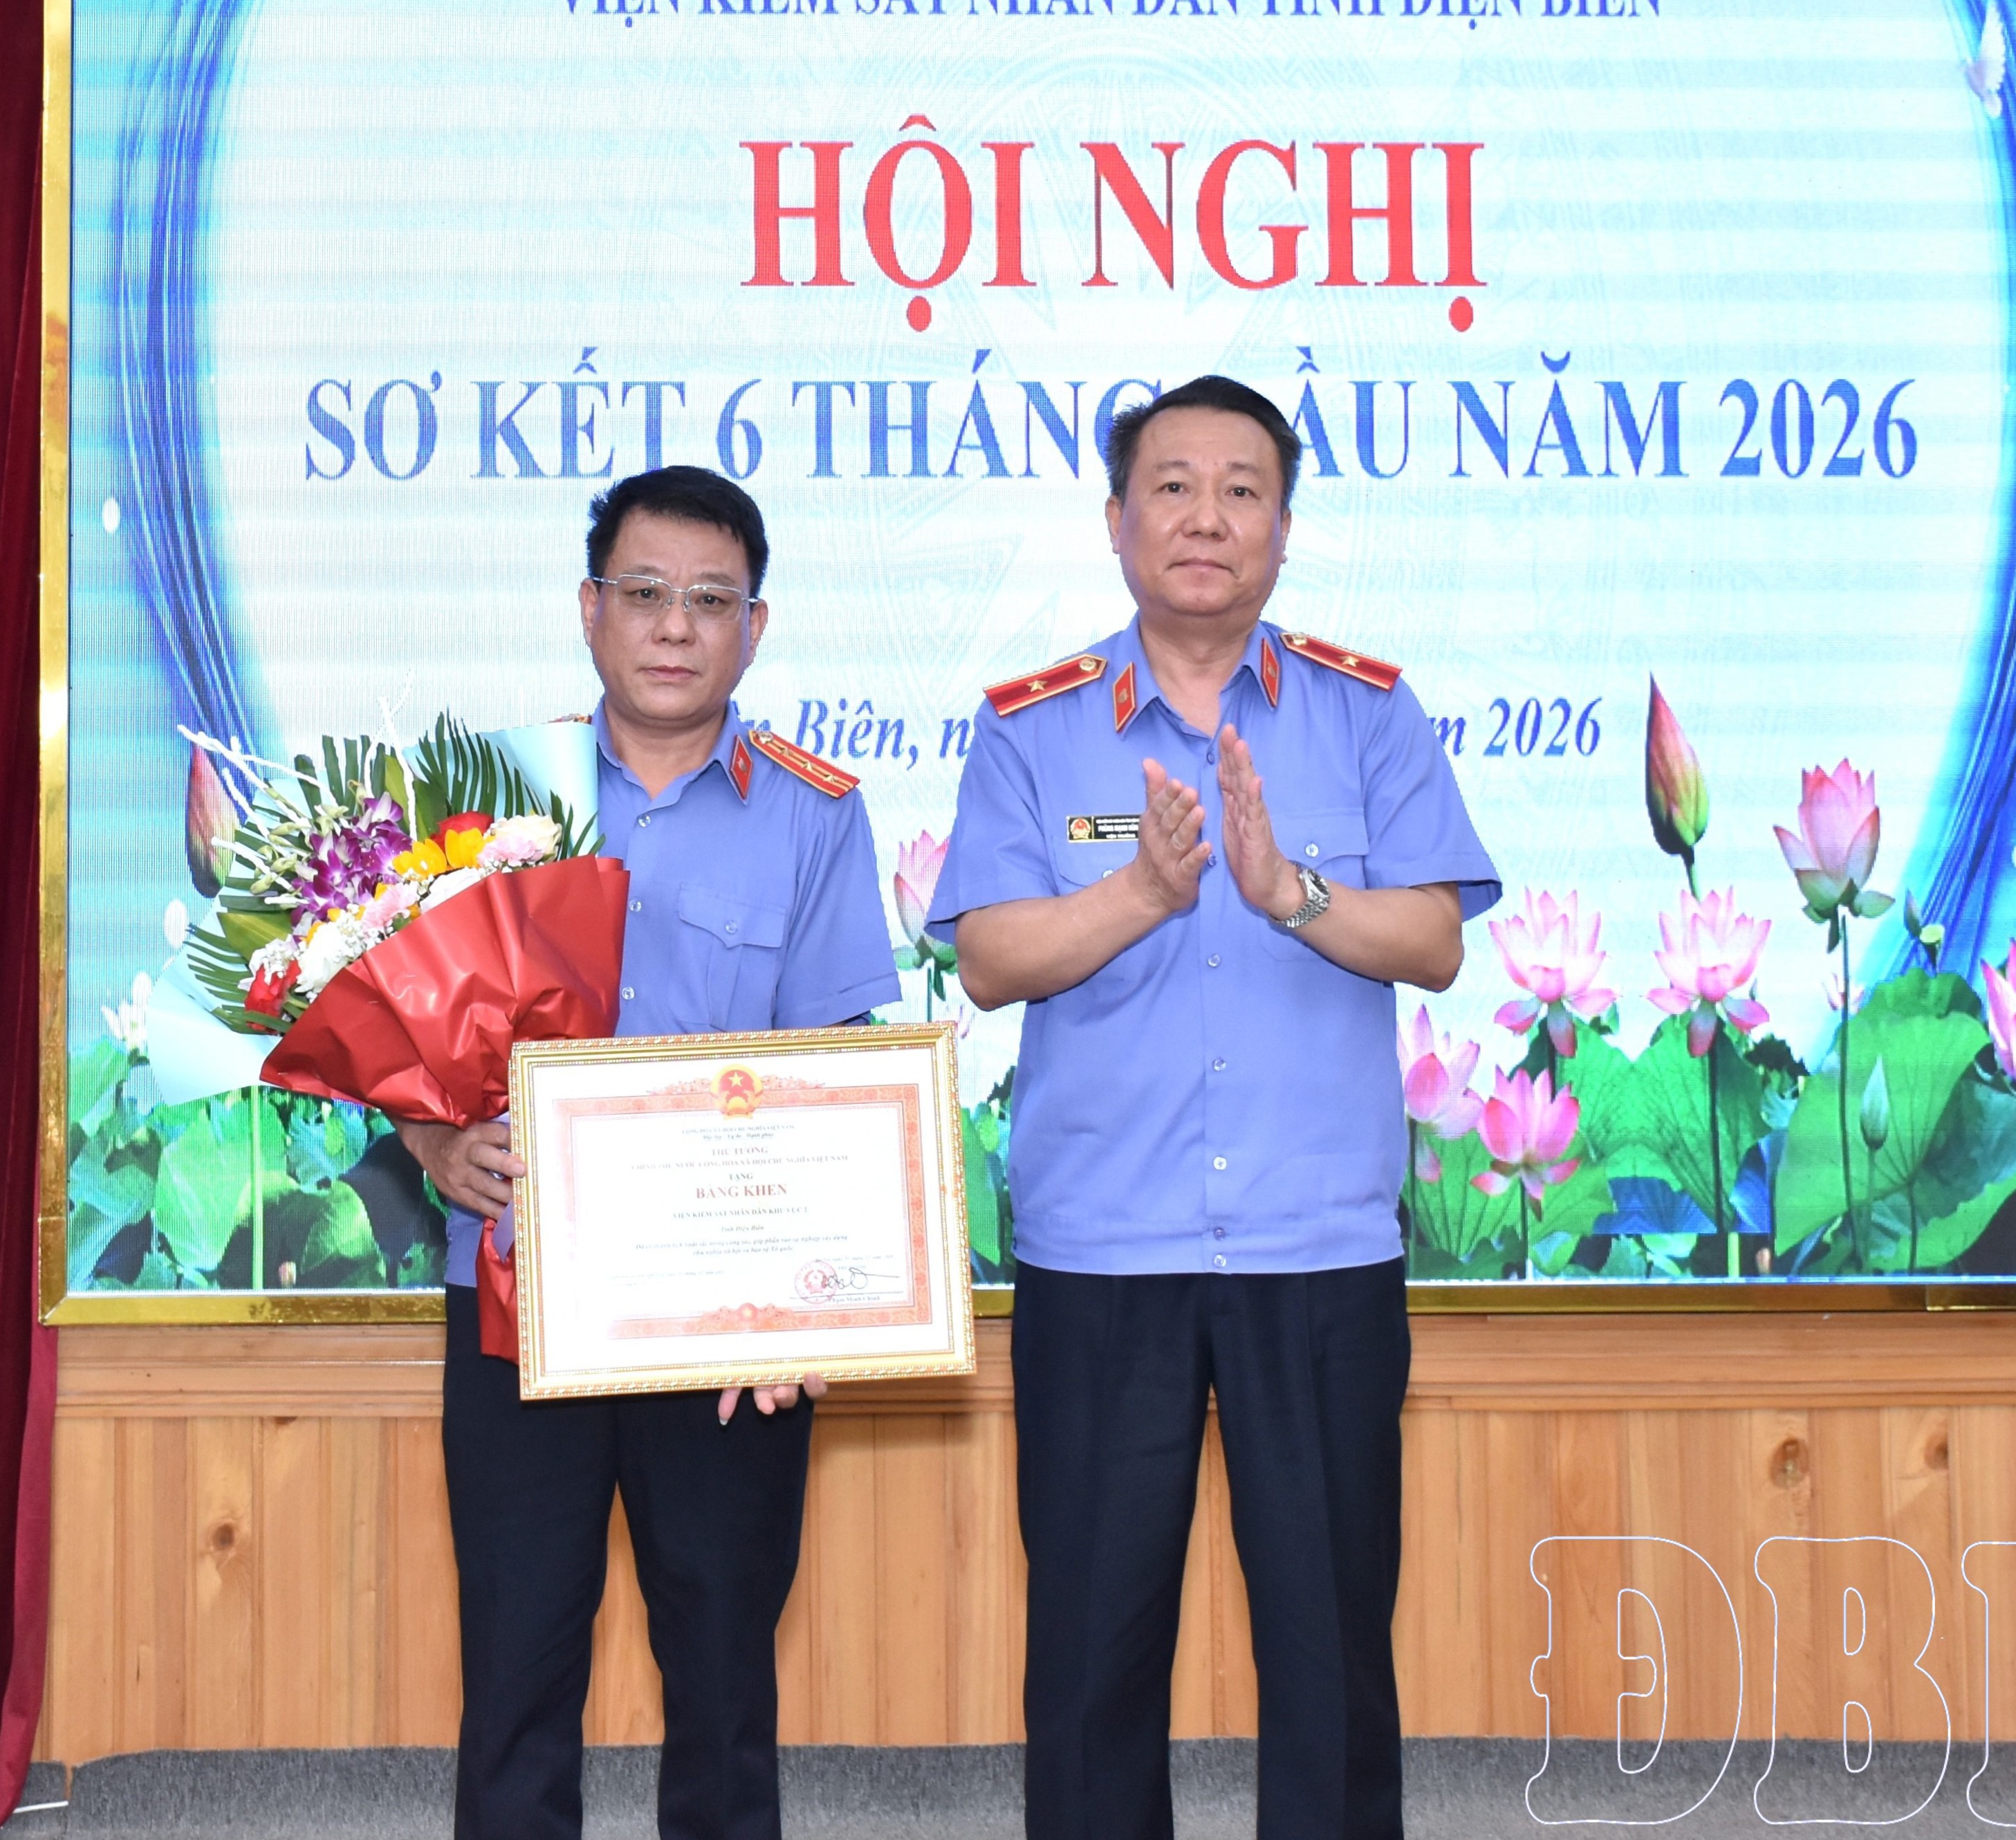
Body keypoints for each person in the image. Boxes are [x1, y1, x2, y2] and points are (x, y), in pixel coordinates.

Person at [925, 375, 1501, 1840]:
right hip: (1101, 1252)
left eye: (1242, 490)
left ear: (1284, 529)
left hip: (1317, 1254)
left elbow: (1435, 940)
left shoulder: (1367, 715)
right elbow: (988, 958)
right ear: (1116, 521)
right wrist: (1141, 891)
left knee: (1329, 1647)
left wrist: (1287, 892)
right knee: (1090, 1657)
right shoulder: (1035, 728)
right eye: (1171, 486)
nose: (1205, 517)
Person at [398, 465, 899, 1840]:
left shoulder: (812, 812)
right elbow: (394, 1013)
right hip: (518, 1301)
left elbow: (835, 1070)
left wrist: (808, 1308)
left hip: (727, 1325)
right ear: (589, 608)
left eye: (710, 600)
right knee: (515, 1669)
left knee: (724, 1675)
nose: (675, 625)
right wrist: (432, 1134)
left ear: (754, 626)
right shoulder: (495, 797)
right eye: (644, 592)